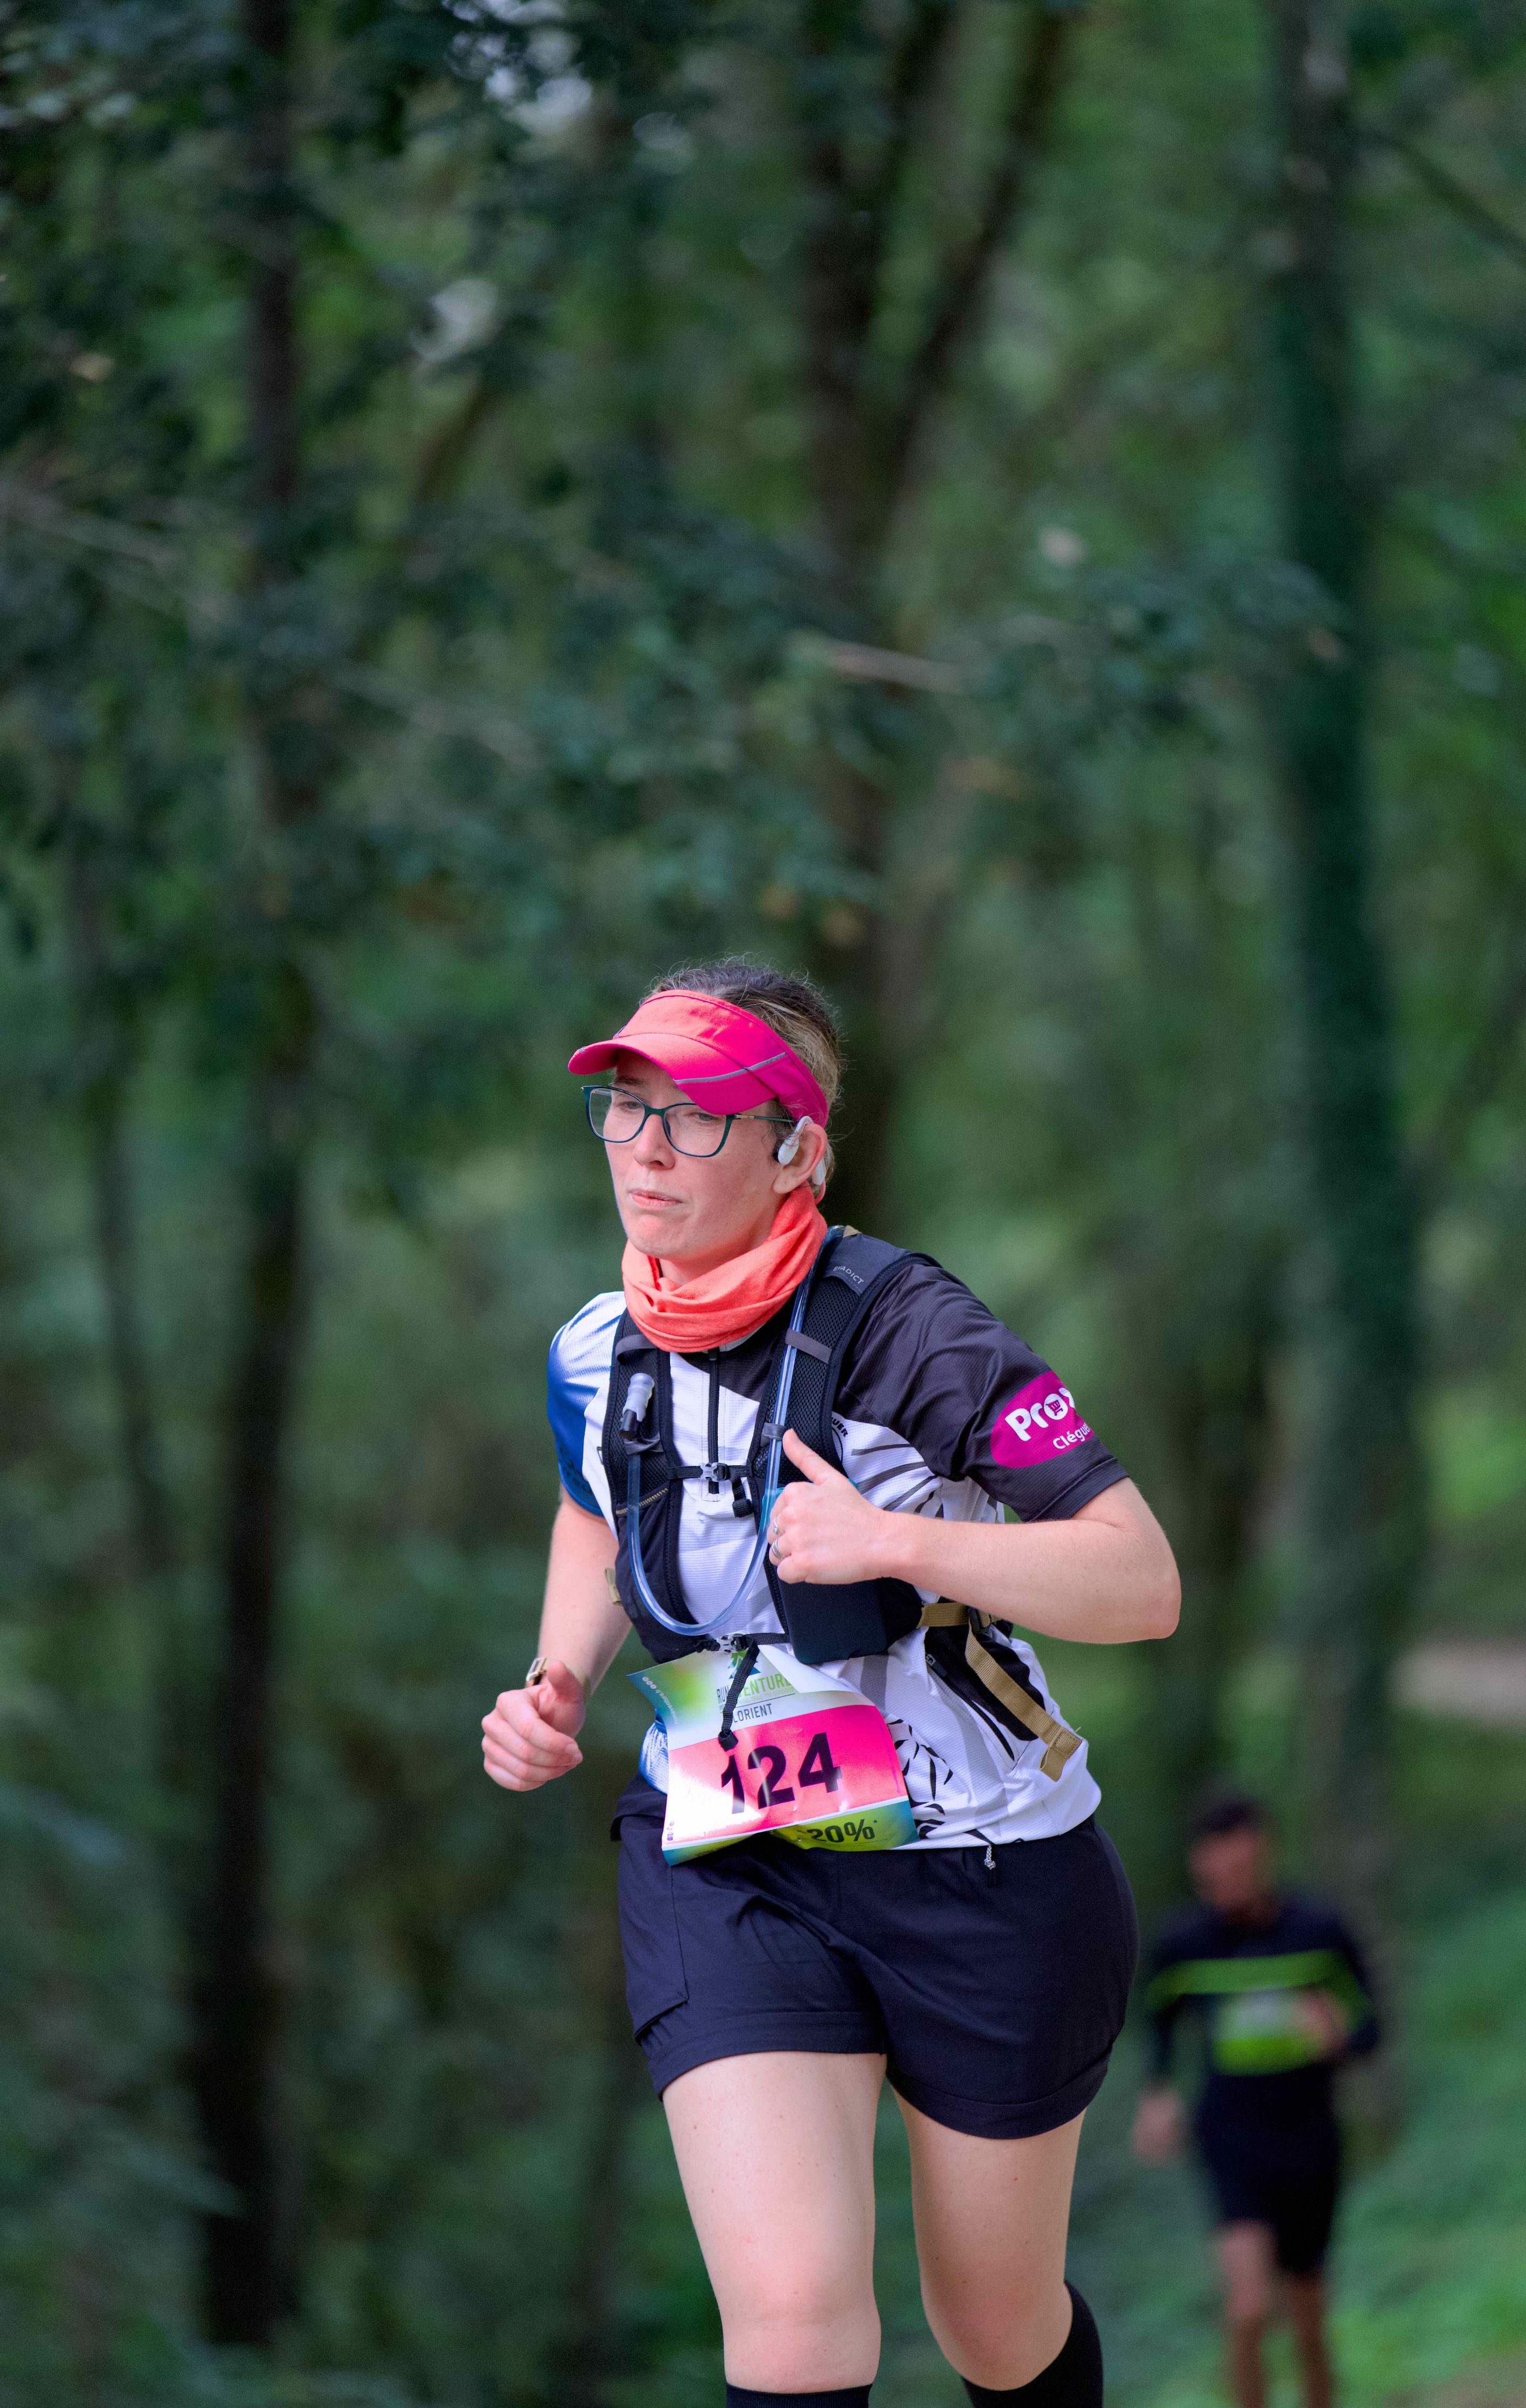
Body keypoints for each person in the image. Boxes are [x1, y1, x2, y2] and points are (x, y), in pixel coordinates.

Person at [483, 958, 1180, 2408]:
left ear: (796, 1148)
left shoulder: (917, 1334)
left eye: (696, 1117)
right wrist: (557, 1673)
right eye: (625, 1110)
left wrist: (893, 1540)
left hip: (979, 1863)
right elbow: (595, 1511)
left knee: (992, 2325)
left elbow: (1140, 1578)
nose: (647, 1151)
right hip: (732, 1851)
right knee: (793, 2323)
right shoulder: (595, 1350)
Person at [1132, 1792, 1380, 2408]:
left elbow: (1371, 2027)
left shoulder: (1319, 1933)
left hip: (1310, 2141)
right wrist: (1158, 2092)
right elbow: (1158, 2020)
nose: (1225, 1882)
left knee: (1309, 2324)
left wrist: (1339, 2038)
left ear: (1264, 1855)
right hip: (1232, 2141)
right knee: (1247, 2309)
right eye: (1213, 1872)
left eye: (1238, 1868)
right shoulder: (1184, 1944)